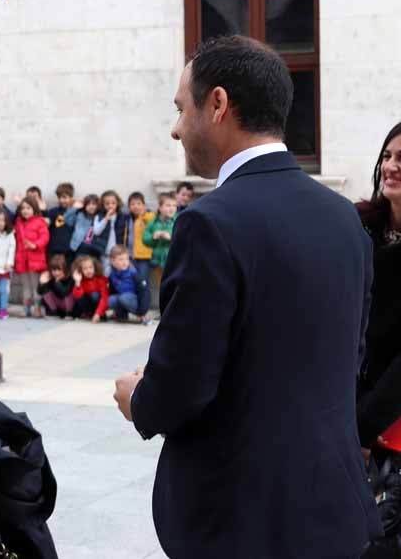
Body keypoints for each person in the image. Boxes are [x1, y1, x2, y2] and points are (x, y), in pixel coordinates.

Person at [113, 35, 380, 558]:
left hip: (241, 517)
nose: (175, 128)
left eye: (179, 108)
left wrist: (138, 398)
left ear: (216, 105)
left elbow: (184, 385)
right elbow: (350, 357)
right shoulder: (343, 216)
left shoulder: (209, 222)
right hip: (331, 506)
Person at [356, 123, 401, 458]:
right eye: (387, 156)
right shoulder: (360, 225)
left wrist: (363, 429)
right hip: (348, 399)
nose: (390, 166)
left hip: (387, 421)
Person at [14, 196, 49, 318]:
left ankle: (37, 309)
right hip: (22, 259)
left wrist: (35, 245)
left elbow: (45, 237)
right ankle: (26, 309)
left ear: (34, 209)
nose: (25, 211)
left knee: (35, 286)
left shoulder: (40, 221)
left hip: (35, 259)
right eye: (23, 208)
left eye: (28, 208)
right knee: (26, 286)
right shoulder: (18, 222)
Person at [106, 245, 150, 325]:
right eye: (121, 259)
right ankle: (121, 315)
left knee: (124, 297)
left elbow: (144, 292)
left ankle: (141, 315)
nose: (125, 262)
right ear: (112, 261)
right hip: (122, 298)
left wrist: (143, 311)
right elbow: (112, 291)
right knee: (110, 299)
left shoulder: (134, 274)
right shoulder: (112, 275)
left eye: (127, 259)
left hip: (135, 301)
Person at [90, 190, 126, 270]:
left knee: (117, 273)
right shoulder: (99, 216)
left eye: (113, 203)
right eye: (107, 203)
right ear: (103, 205)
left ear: (117, 204)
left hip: (118, 252)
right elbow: (96, 231)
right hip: (104, 252)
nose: (110, 206)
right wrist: (106, 218)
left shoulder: (122, 216)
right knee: (106, 273)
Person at [44, 182, 81, 260]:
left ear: (71, 197)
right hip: (54, 250)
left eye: (64, 197)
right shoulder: (53, 211)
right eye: (59, 197)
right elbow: (58, 223)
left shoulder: (77, 212)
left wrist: (74, 209)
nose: (61, 200)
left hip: (70, 251)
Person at [142, 193, 177, 271]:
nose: (172, 208)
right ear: (160, 207)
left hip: (173, 260)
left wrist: (172, 238)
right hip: (156, 260)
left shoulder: (178, 221)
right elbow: (145, 239)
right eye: (168, 205)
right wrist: (153, 238)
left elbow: (185, 239)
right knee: (156, 282)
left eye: (174, 206)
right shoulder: (153, 222)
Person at [125, 192, 155, 282]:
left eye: (139, 204)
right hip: (131, 255)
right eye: (132, 204)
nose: (135, 206)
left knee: (143, 281)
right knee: (135, 281)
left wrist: (143, 214)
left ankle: (145, 296)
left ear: (144, 205)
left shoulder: (149, 216)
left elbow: (151, 221)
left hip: (144, 256)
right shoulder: (128, 219)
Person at [68, 254, 108, 322]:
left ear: (95, 267)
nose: (88, 270)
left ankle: (98, 314)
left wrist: (98, 313)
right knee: (78, 297)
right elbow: (77, 296)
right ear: (80, 270)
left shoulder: (100, 279)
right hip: (87, 304)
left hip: (98, 306)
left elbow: (104, 298)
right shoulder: (81, 280)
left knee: (95, 295)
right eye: (85, 268)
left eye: (90, 267)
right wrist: (78, 282)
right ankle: (88, 313)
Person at [38, 254, 73, 318]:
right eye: (54, 270)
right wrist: (42, 283)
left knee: (69, 294)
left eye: (59, 270)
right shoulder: (50, 277)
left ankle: (69, 313)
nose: (56, 272)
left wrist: (58, 283)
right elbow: (40, 292)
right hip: (57, 305)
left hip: (68, 306)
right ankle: (54, 312)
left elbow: (65, 292)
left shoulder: (70, 278)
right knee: (46, 291)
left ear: (65, 269)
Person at [68, 194, 100, 259]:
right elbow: (67, 220)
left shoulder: (100, 217)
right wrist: (74, 208)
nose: (91, 206)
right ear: (84, 206)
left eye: (94, 204)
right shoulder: (80, 215)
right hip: (80, 246)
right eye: (88, 204)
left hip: (95, 248)